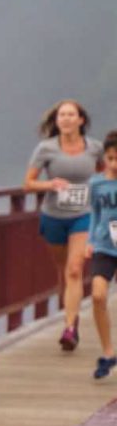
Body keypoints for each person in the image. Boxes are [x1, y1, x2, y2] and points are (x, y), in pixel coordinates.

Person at [25, 100, 96, 351]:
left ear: (81, 120)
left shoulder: (94, 148)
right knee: (63, 272)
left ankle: (69, 329)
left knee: (75, 269)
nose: (65, 119)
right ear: (56, 121)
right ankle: (71, 315)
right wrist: (50, 184)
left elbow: (106, 172)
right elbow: (28, 183)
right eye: (61, 115)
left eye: (71, 115)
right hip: (54, 216)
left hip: (83, 214)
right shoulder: (46, 148)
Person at [85, 132, 117, 379]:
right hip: (104, 246)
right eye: (111, 158)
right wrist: (90, 241)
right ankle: (108, 352)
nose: (115, 163)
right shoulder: (97, 184)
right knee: (97, 296)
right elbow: (95, 213)